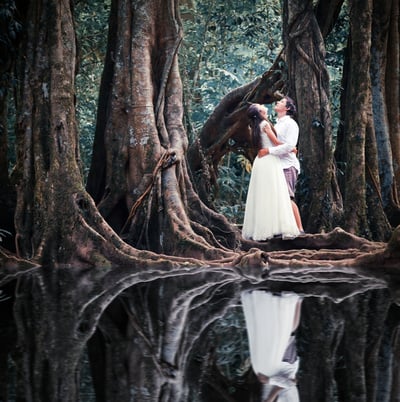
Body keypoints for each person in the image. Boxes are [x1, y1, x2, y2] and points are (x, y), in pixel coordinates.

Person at [242, 103, 300, 241]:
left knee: (264, 195)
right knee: (277, 194)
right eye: (260, 106)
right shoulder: (265, 124)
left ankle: (263, 229)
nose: (263, 105)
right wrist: (291, 148)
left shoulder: (255, 126)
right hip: (269, 160)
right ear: (260, 112)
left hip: (261, 161)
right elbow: (275, 143)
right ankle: (283, 228)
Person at [241, 291, 303, 402]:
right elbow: (291, 383)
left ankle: (277, 302)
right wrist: (270, 385)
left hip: (270, 367)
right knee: (287, 332)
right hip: (285, 367)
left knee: (275, 331)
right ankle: (297, 301)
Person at [258, 97, 304, 233]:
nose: (277, 102)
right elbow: (278, 143)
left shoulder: (290, 124)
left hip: (287, 165)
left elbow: (290, 145)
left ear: (287, 108)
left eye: (281, 102)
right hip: (277, 165)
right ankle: (284, 229)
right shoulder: (277, 124)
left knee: (287, 197)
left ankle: (300, 230)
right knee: (278, 198)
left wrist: (268, 151)